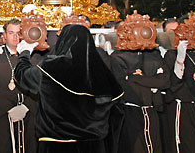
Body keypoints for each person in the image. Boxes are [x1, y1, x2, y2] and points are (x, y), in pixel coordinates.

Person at [14, 24, 124, 153]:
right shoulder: (103, 73)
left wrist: (24, 53)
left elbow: (22, 76)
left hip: (56, 145)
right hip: (93, 146)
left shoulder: (52, 67)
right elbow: (116, 115)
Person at [0, 19, 38, 153]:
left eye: (18, 33)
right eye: (11, 33)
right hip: (3, 117)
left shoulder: (34, 57)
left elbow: (39, 87)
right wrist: (8, 108)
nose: (15, 37)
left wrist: (27, 106)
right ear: (4, 35)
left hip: (28, 116)